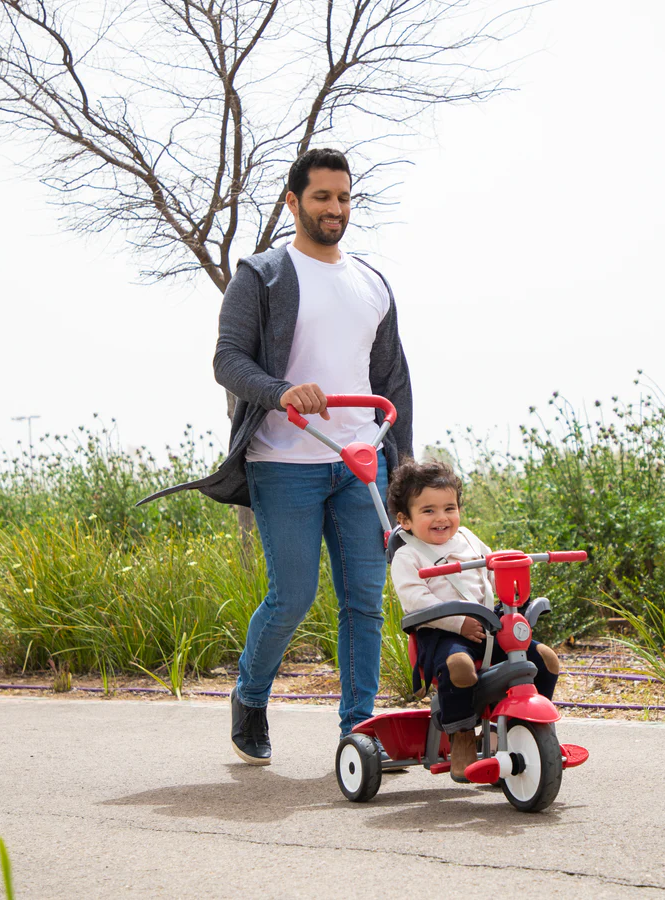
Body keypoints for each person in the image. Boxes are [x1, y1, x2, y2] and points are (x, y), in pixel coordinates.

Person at [139, 148, 412, 765]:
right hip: (283, 461)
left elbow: (394, 379)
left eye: (343, 198)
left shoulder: (372, 283)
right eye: (321, 198)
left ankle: (359, 732)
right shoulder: (260, 274)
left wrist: (406, 468)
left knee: (364, 600)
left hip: (361, 462)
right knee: (291, 594)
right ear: (293, 202)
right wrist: (282, 391)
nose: (335, 209)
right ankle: (250, 694)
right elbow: (228, 360)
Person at [387, 459, 560, 782]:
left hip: (489, 625)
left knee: (545, 659)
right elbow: (415, 600)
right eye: (428, 511)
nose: (442, 518)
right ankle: (463, 733)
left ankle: (525, 728)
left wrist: (511, 581)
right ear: (405, 520)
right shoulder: (407, 556)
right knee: (460, 667)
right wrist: (457, 621)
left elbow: (491, 568)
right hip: (442, 633)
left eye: (449, 508)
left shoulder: (467, 537)